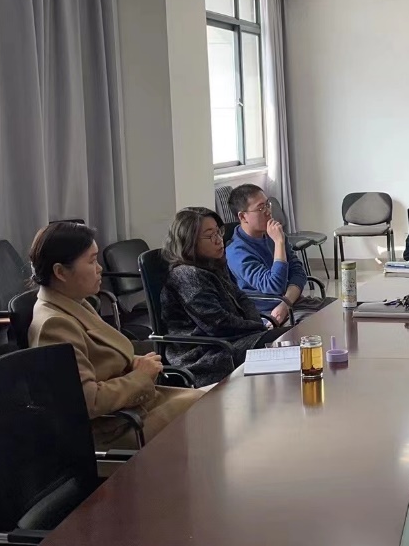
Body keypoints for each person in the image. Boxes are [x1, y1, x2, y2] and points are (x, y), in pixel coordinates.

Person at [27, 221, 205, 449]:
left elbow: (102, 359)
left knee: (216, 400)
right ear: (60, 272)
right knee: (211, 410)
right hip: (114, 430)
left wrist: (134, 363)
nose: (99, 268)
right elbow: (86, 401)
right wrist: (139, 376)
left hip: (134, 411)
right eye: (92, 261)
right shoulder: (53, 324)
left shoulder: (73, 302)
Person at [161, 207, 287, 388]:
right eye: (209, 235)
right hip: (207, 353)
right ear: (189, 242)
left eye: (218, 232)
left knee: (291, 340)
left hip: (231, 340)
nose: (219, 239)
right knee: (287, 343)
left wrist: (256, 326)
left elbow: (241, 298)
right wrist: (257, 328)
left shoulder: (212, 265)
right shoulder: (186, 275)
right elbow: (217, 324)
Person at [224, 184, 315, 325]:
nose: (268, 212)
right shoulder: (237, 252)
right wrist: (279, 243)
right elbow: (274, 286)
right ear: (243, 216)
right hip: (270, 314)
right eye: (261, 208)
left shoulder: (273, 235)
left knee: (344, 311)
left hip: (291, 304)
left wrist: (286, 303)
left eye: (268, 204)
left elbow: (299, 272)